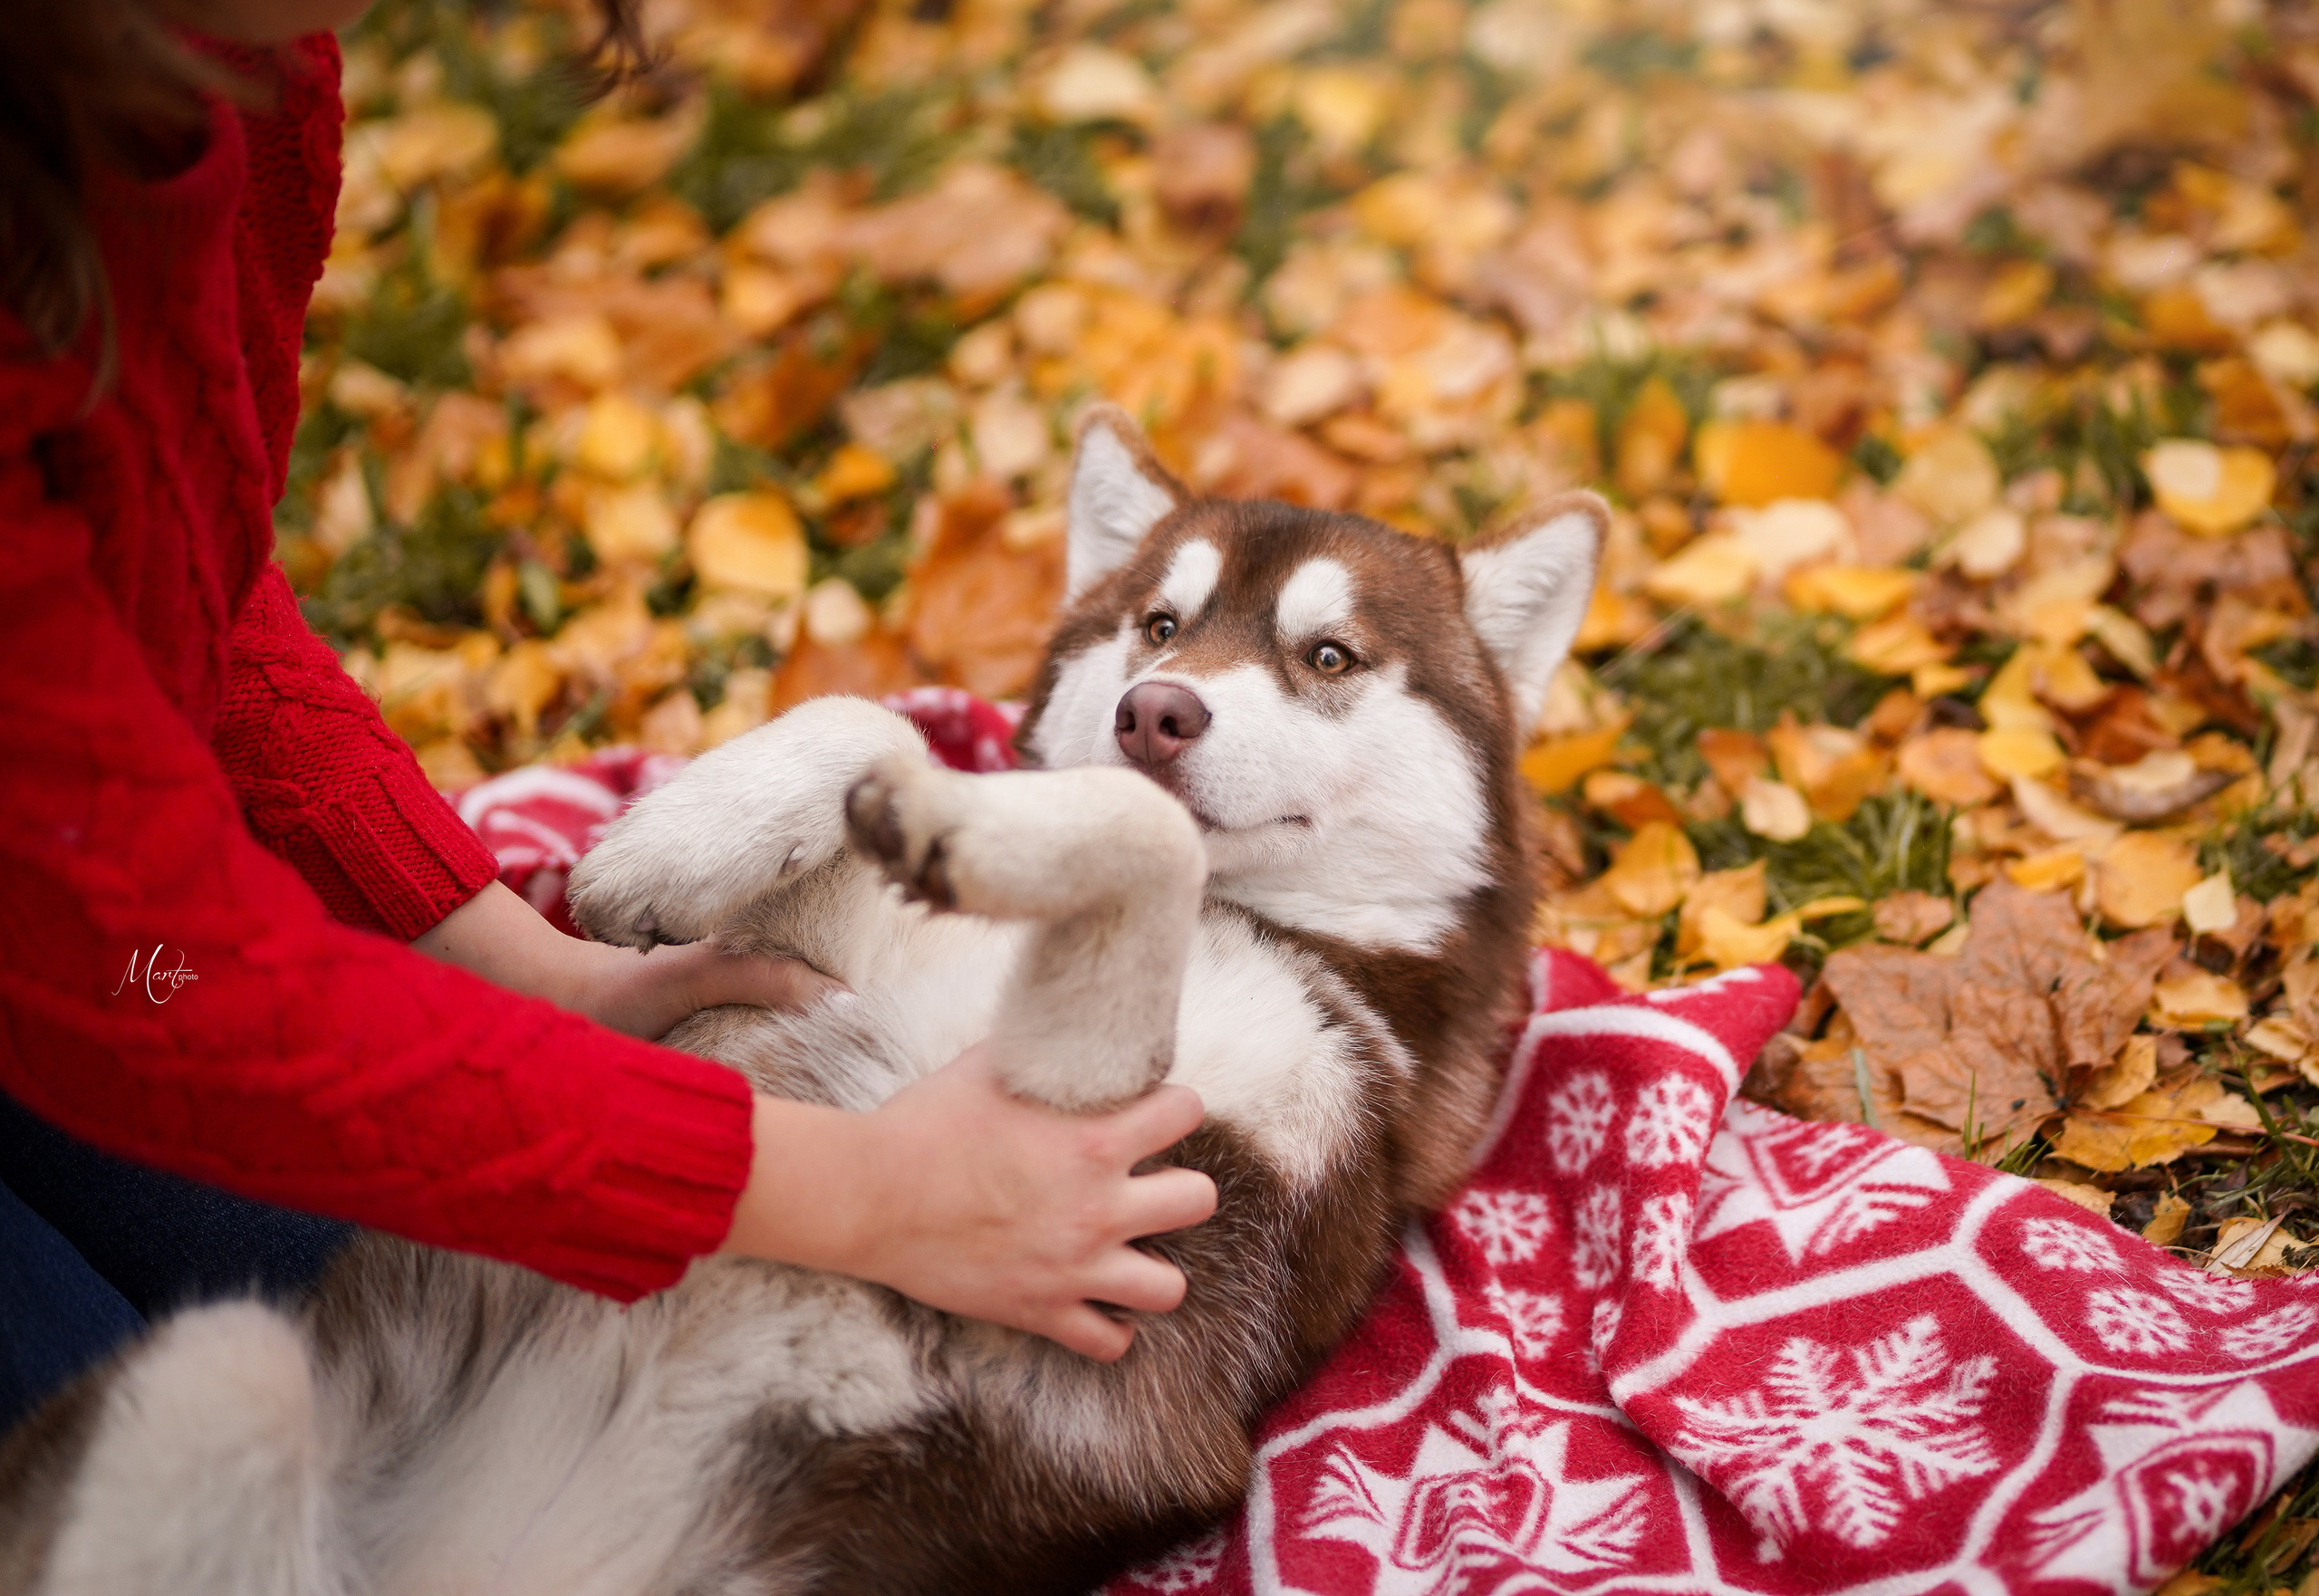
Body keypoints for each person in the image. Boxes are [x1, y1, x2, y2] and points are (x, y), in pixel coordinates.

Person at [0, 0, 1216, 1430]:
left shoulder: (240, 58)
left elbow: (168, 603)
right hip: (122, 966)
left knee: (382, 1306)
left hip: (107, 955)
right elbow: (179, 990)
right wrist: (880, 1196)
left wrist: (527, 968)